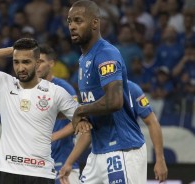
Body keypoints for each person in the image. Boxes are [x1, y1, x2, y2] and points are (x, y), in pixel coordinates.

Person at [59, 1, 168, 183]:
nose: (72, 26)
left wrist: (80, 111)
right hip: (97, 150)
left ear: (95, 23)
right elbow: (91, 107)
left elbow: (114, 101)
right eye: (70, 21)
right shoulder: (83, 59)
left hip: (122, 150)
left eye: (78, 21)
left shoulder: (106, 53)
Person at [0, 38, 91, 184]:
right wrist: (11, 51)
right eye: (16, 62)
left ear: (37, 62)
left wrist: (79, 123)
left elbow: (82, 122)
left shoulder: (56, 92)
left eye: (26, 62)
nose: (20, 68)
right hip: (8, 170)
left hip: (40, 172)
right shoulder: (4, 83)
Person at [37, 44, 80, 184]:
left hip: (63, 164)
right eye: (35, 62)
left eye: (41, 62)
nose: (37, 66)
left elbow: (77, 121)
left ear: (51, 63)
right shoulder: (31, 89)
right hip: (39, 165)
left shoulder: (64, 88)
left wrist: (52, 137)